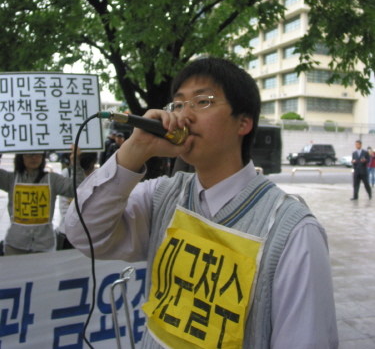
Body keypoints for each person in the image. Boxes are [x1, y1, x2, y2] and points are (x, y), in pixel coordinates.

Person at [66, 57, 338, 349]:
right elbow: (84, 233)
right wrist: (137, 148)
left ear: (244, 122)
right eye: (179, 104)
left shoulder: (293, 232)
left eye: (203, 102)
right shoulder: (162, 197)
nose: (184, 116)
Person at [0, 147, 84, 255]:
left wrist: (75, 162)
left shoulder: (52, 179)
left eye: (38, 154)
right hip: (15, 244)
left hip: (44, 245)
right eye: (29, 154)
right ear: (21, 157)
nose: (34, 157)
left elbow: (76, 189)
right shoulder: (11, 178)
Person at [56, 151, 98, 250]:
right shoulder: (67, 173)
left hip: (92, 232)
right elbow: (63, 205)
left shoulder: (99, 174)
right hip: (68, 232)